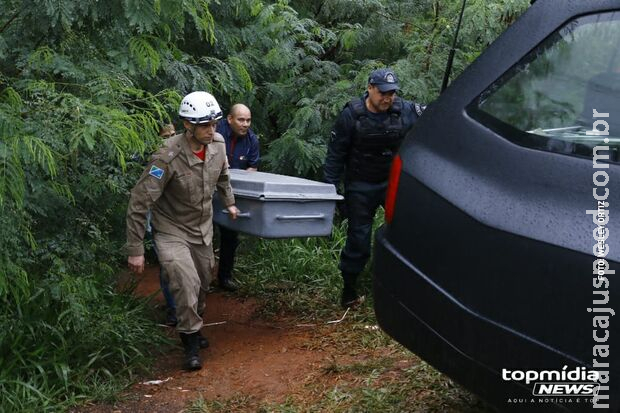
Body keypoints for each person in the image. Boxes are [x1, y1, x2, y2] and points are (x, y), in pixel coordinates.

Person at [126, 91, 240, 371]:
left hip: (202, 227)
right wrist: (136, 250)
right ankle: (189, 341)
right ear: (187, 125)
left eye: (213, 123)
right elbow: (140, 201)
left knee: (202, 282)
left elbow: (223, 176)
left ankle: (194, 325)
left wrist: (230, 203)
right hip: (171, 229)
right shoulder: (167, 157)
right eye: (204, 125)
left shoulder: (219, 144)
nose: (211, 130)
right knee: (184, 282)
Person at [323, 68, 423, 308]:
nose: (388, 98)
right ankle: (349, 290)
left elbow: (434, 117)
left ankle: (401, 287)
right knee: (358, 238)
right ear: (370, 88)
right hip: (360, 185)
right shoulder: (351, 115)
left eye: (392, 93)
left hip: (391, 183)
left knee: (404, 232)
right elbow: (335, 156)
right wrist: (330, 192)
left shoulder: (404, 110)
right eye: (383, 93)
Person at [215, 103, 260, 291]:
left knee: (230, 235)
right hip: (208, 189)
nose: (245, 124)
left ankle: (224, 277)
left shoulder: (252, 140)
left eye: (248, 120)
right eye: (241, 120)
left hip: (232, 192)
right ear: (230, 119)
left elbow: (253, 168)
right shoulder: (216, 134)